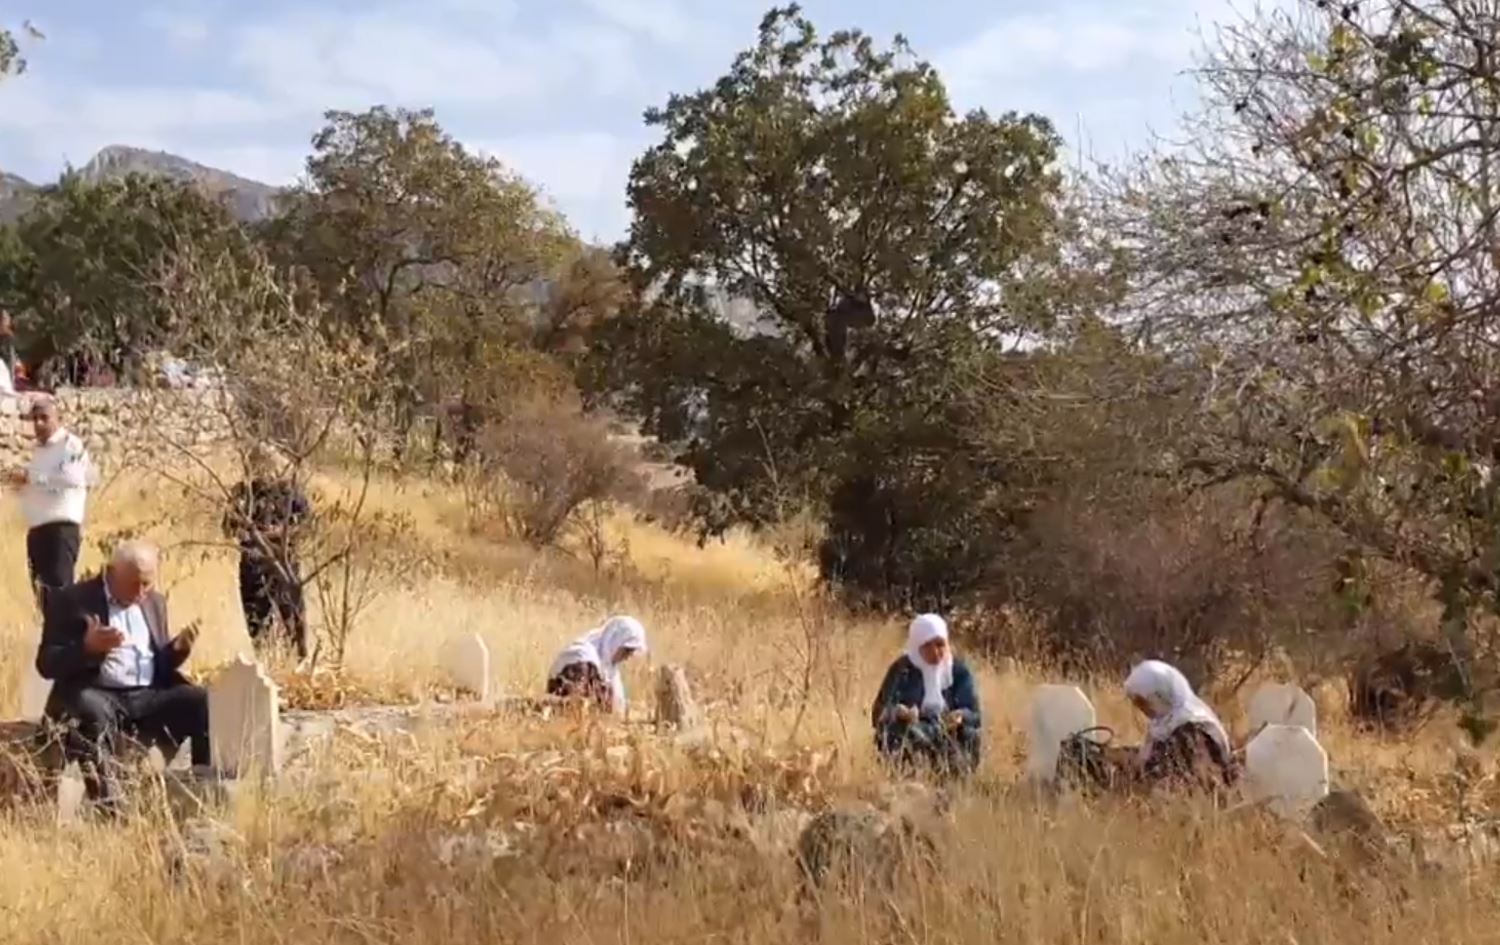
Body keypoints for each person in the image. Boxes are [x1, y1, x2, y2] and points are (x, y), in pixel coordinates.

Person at [35, 541, 208, 812]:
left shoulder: (155, 602)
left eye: (147, 584)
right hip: (98, 692)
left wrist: (177, 650)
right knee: (91, 712)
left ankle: (202, 790)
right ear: (111, 573)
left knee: (199, 701)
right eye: (134, 584)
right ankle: (110, 808)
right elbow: (46, 664)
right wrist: (86, 648)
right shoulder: (72, 600)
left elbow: (158, 668)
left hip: (146, 695)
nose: (140, 592)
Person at [223, 446, 312, 660]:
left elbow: (307, 526)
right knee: (257, 624)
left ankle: (298, 664)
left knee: (292, 619)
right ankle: (265, 665)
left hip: (284, 564)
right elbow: (228, 528)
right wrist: (245, 529)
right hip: (253, 566)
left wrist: (273, 535)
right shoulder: (242, 493)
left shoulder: (290, 493)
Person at [870, 614, 982, 779]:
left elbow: (975, 714)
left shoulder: (958, 671)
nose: (935, 652)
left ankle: (954, 781)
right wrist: (899, 712)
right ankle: (904, 780)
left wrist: (960, 716)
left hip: (947, 734)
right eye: (927, 646)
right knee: (894, 732)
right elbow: (879, 714)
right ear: (916, 645)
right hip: (915, 732)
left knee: (970, 734)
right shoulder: (902, 669)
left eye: (940, 644)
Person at [10, 398, 94, 611]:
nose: (38, 423)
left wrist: (32, 478)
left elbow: (72, 479)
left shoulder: (70, 445)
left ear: (59, 418)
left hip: (60, 531)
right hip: (38, 531)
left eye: (44, 418)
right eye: (35, 419)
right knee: (44, 600)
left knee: (60, 595)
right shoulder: (40, 451)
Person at [1122, 660, 1238, 793]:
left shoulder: (1191, 729)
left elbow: (1193, 778)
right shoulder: (1167, 722)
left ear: (1161, 695)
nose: (1142, 708)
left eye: (1143, 701)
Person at [546, 616, 648, 713]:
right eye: (627, 650)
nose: (628, 656)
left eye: (631, 652)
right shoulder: (582, 657)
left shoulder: (607, 667)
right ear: (615, 640)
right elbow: (575, 703)